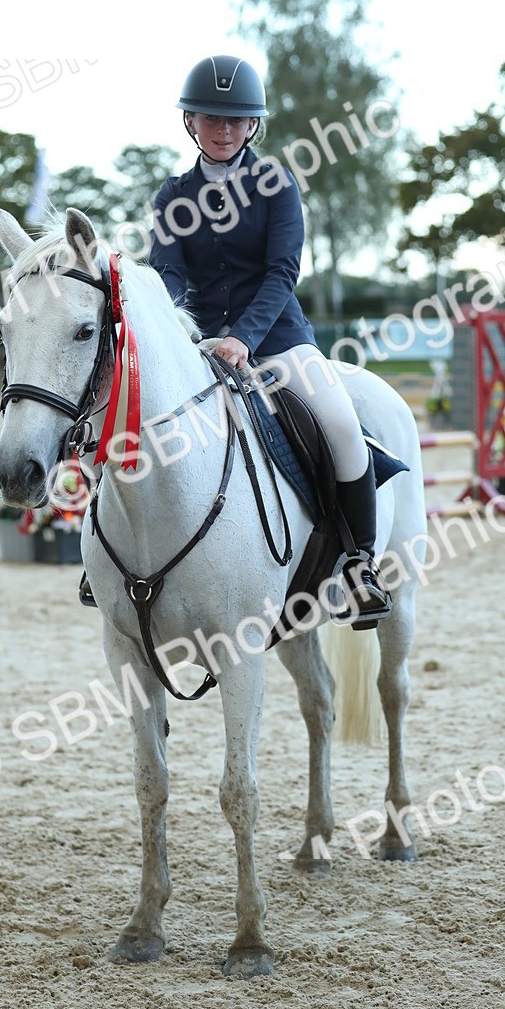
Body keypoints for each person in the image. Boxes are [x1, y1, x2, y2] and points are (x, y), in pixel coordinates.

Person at [148, 55, 390, 623]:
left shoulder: (275, 184)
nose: (224, 129)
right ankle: (108, 560)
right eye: (211, 118)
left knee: (341, 424)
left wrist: (243, 339)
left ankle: (359, 563)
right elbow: (167, 275)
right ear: (191, 122)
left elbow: (283, 270)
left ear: (253, 124)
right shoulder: (171, 195)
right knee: (135, 422)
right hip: (199, 347)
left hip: (279, 338)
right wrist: (183, 333)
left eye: (236, 120)